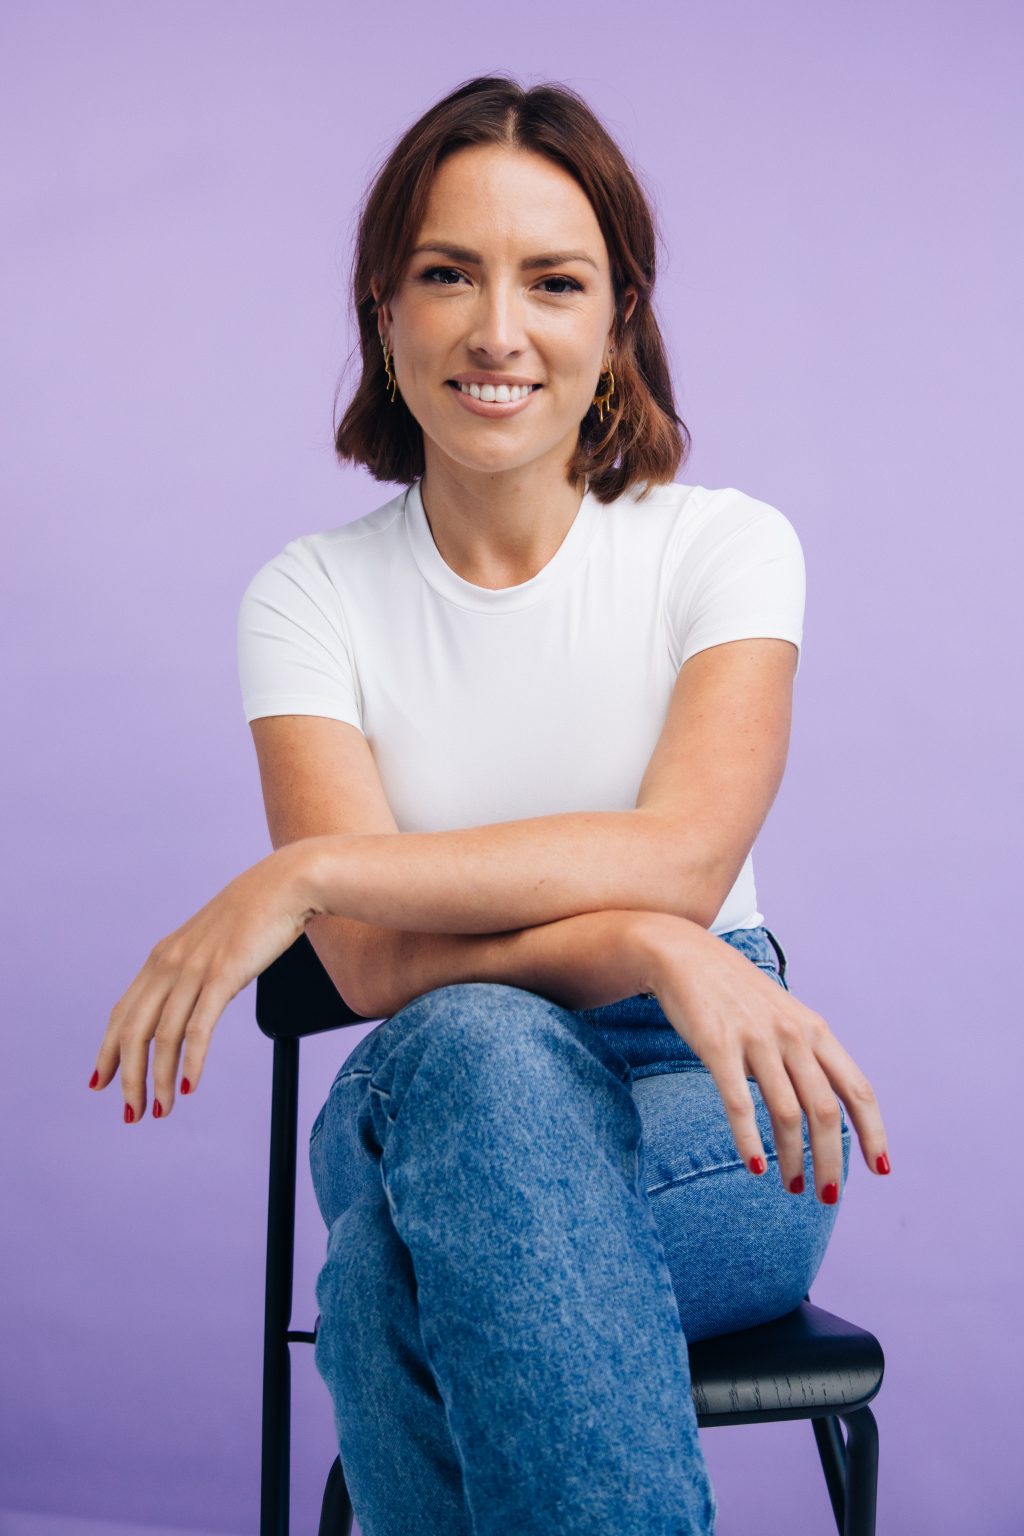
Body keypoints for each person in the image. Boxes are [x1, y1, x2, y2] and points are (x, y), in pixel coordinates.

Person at [92, 74, 891, 1536]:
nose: (498, 330)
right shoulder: (310, 595)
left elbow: (683, 861)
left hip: (708, 1105)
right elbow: (370, 969)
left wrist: (315, 869)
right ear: (383, 309)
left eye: (555, 281)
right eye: (448, 273)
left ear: (620, 318)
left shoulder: (723, 550)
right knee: (474, 1048)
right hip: (436, 1089)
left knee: (386, 1280)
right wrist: (638, 939)